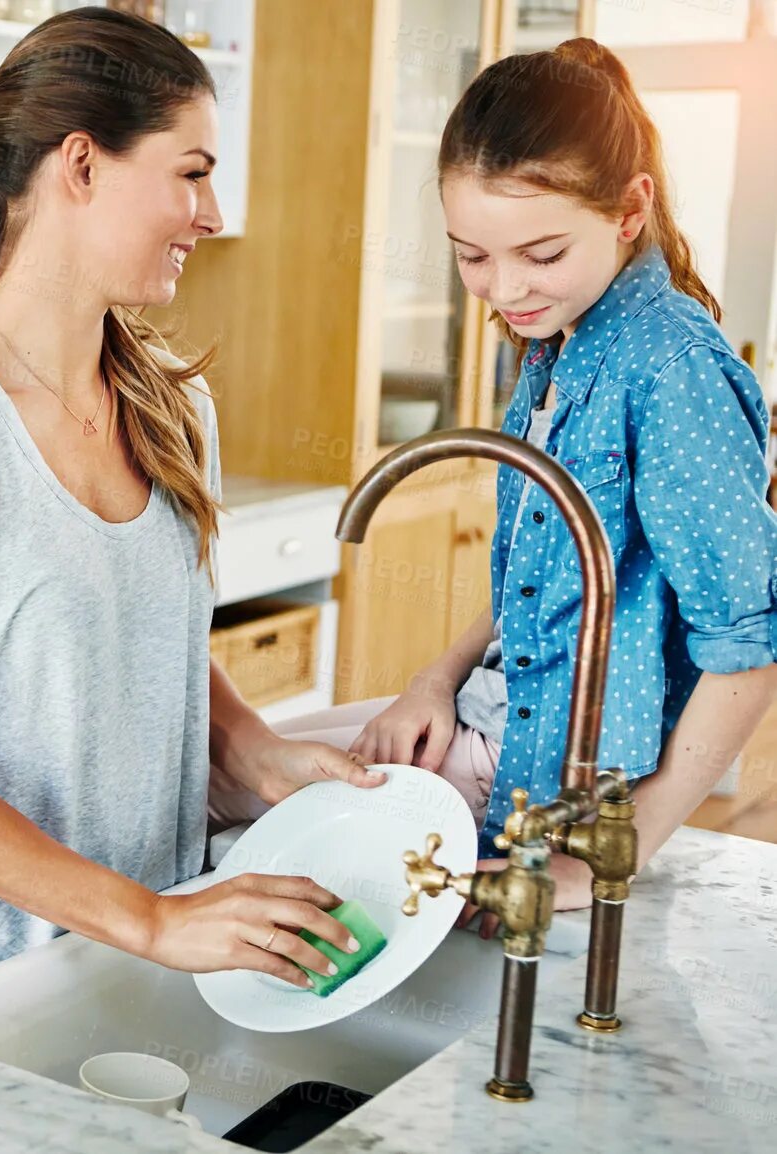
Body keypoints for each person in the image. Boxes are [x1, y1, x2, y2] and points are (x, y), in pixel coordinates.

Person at [0, 8, 385, 1018]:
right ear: (82, 165)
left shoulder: (173, 403)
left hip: (121, 961)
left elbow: (134, 639)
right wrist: (158, 922)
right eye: (192, 170)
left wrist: (251, 748)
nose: (209, 212)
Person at [269, 38, 777, 934]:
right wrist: (432, 679)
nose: (503, 290)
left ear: (629, 211)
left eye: (539, 253)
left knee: (260, 826)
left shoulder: (673, 374)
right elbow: (544, 585)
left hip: (552, 774)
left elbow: (745, 645)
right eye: (471, 257)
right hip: (490, 719)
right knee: (233, 778)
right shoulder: (557, 340)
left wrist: (614, 857)